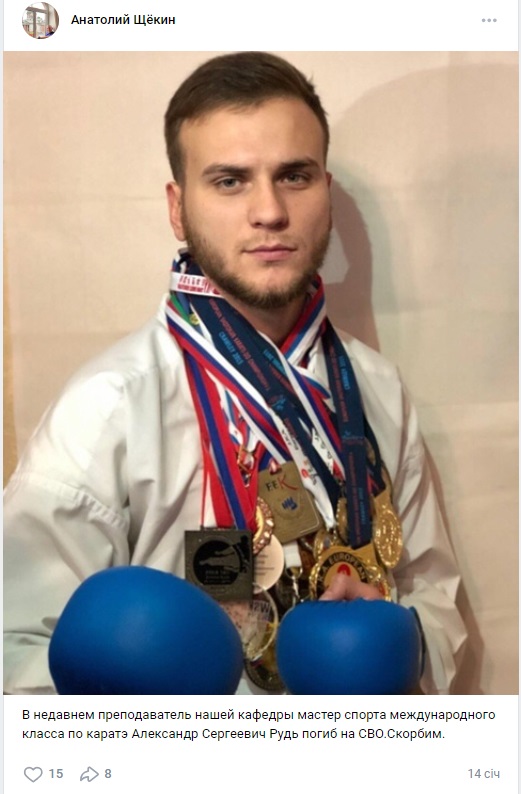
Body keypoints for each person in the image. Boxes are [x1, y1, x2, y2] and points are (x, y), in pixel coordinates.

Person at [3, 51, 466, 695]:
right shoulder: (109, 407)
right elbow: (15, 642)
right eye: (229, 181)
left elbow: (432, 589)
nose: (269, 211)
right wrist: (134, 728)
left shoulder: (378, 390)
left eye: (295, 176)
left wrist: (404, 648)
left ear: (326, 191)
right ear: (177, 208)